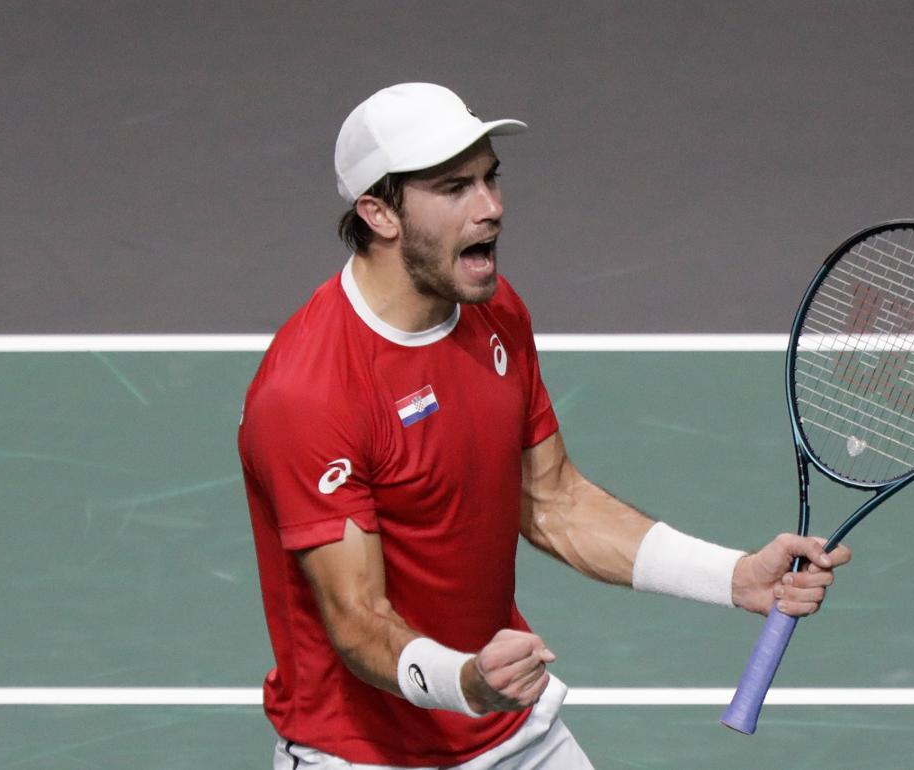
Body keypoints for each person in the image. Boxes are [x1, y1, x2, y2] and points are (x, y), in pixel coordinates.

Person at [238, 82, 851, 769]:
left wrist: (732, 576)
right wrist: (465, 681)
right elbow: (356, 620)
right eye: (454, 188)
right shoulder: (311, 393)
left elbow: (552, 500)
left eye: (490, 180)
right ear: (379, 213)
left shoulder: (494, 314)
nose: (491, 208)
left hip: (511, 735)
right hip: (362, 755)